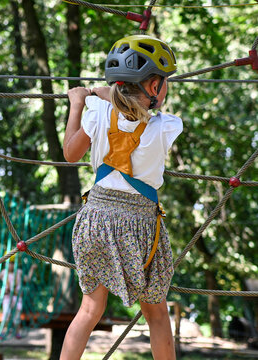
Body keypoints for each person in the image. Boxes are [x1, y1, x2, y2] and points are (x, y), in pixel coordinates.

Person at [60, 35, 182, 360]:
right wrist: (105, 98)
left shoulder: (97, 113)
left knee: (89, 310)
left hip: (95, 220)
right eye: (165, 82)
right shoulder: (167, 127)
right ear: (154, 87)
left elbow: (71, 154)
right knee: (156, 315)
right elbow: (137, 114)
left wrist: (77, 102)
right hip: (139, 226)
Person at [0, 254, 37, 339]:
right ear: (5, 264)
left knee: (17, 315)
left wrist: (32, 269)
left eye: (12, 263)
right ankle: (3, 332)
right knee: (6, 314)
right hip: (7, 296)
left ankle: (17, 332)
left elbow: (27, 279)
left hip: (17, 297)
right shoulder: (3, 272)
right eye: (9, 263)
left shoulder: (19, 272)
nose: (11, 265)